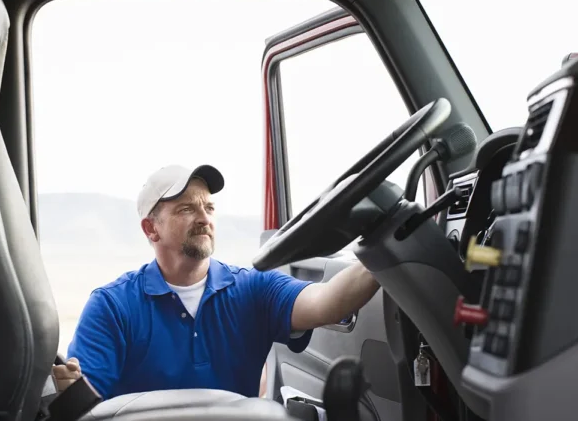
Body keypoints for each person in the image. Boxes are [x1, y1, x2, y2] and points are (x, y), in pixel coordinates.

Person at [65, 164, 380, 400]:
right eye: (187, 208)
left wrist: (385, 249)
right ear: (151, 229)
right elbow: (82, 403)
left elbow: (327, 302)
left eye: (209, 207)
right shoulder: (111, 306)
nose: (204, 218)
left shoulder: (253, 288)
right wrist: (67, 387)